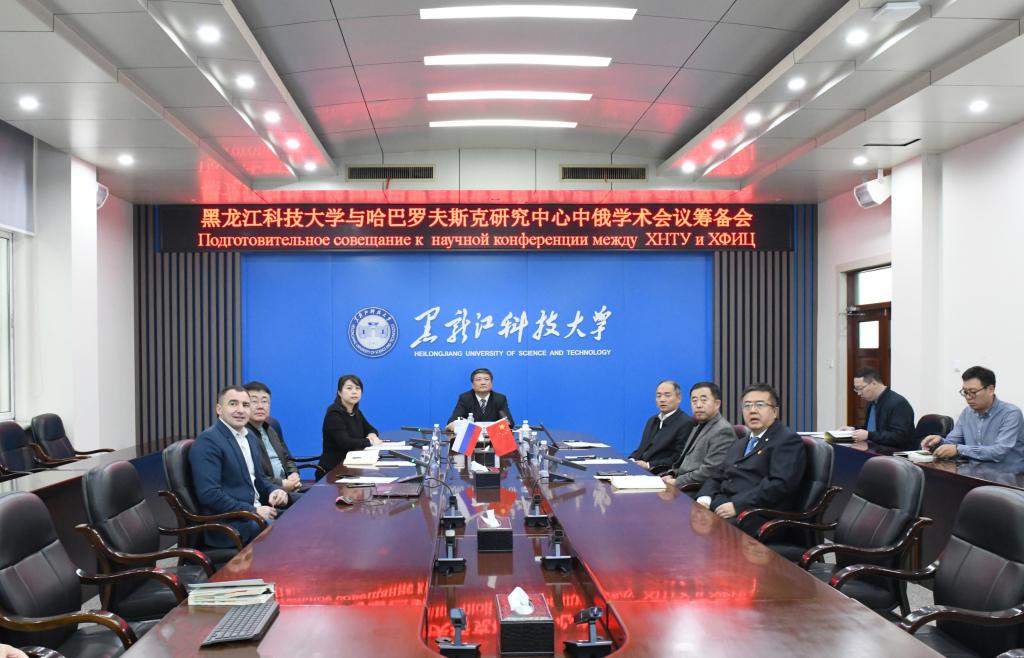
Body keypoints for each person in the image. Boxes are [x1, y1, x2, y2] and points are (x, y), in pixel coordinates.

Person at [696, 383, 806, 533]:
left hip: (760, 515)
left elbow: (779, 485)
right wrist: (704, 498)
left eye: (760, 405)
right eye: (747, 406)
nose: (752, 410)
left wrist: (737, 505)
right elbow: (718, 474)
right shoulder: (741, 442)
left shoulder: (786, 440)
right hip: (725, 504)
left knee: (709, 530)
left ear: (774, 411)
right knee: (689, 514)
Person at [190, 386, 289, 546]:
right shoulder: (208, 441)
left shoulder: (249, 437)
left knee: (302, 520)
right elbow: (210, 494)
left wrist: (274, 490)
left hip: (255, 514)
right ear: (219, 409)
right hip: (230, 525)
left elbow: (259, 479)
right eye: (233, 404)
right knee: (290, 534)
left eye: (245, 405)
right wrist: (253, 511)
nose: (241, 410)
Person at [921, 366, 1024, 470]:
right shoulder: (967, 413)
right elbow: (953, 443)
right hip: (974, 473)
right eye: (965, 392)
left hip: (1007, 476)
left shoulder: (1011, 413)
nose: (968, 397)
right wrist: (939, 442)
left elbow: (999, 452)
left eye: (973, 392)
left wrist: (959, 449)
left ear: (990, 390)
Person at [662, 381, 735, 489]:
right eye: (694, 400)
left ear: (717, 404)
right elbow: (683, 462)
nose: (698, 405)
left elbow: (710, 471)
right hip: (681, 483)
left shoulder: (723, 430)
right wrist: (671, 474)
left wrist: (676, 481)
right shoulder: (698, 425)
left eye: (704, 400)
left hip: (695, 489)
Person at [244, 381, 302, 493]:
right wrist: (281, 484)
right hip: (267, 493)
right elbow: (253, 475)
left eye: (265, 401)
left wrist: (294, 474)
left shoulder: (270, 428)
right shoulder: (243, 435)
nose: (260, 406)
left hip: (286, 487)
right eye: (254, 401)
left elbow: (287, 458)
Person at [839, 367, 916, 450]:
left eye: (860, 388)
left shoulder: (898, 404)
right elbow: (873, 429)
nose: (859, 393)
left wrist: (869, 435)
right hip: (876, 450)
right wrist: (853, 429)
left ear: (874, 384)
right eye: (856, 389)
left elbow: (899, 437)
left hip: (895, 453)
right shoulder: (872, 402)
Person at [628, 380, 695, 475]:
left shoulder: (686, 422)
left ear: (679, 398)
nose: (662, 399)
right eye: (658, 396)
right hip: (640, 470)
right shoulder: (652, 420)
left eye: (667, 395)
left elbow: (679, 457)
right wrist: (631, 459)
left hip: (661, 472)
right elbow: (642, 449)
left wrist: (648, 465)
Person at [320, 374, 381, 473]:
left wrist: (372, 435)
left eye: (358, 388)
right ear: (339, 392)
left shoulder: (356, 412)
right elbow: (346, 443)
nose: (354, 392)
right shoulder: (334, 413)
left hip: (354, 464)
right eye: (349, 388)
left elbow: (371, 429)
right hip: (335, 469)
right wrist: (370, 441)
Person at [446, 368, 514, 427]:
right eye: (478, 380)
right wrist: (453, 424)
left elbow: (509, 422)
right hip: (471, 436)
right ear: (472, 385)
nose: (483, 383)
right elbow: (453, 421)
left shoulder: (500, 399)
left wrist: (507, 423)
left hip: (494, 436)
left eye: (486, 379)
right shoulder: (465, 398)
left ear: (491, 383)